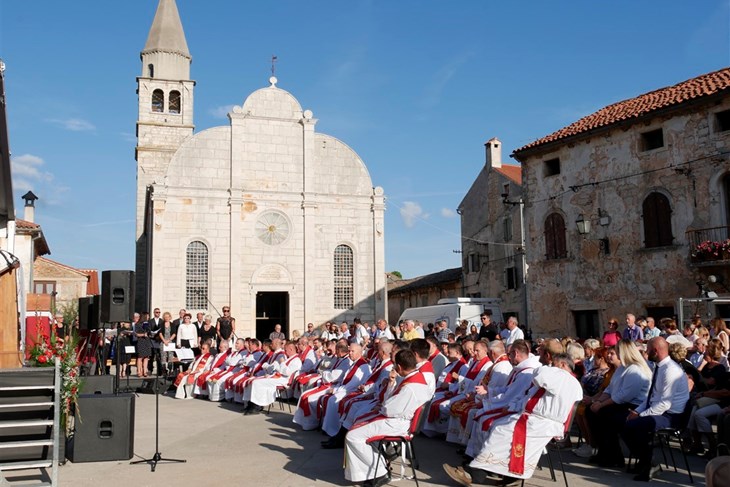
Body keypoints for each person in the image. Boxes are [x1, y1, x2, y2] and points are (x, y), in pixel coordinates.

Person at [444, 353, 583, 486]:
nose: (551, 365)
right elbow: (534, 394)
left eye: (555, 363)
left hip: (539, 423)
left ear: (564, 364)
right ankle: (510, 476)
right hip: (539, 420)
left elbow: (539, 375)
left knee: (500, 431)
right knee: (499, 426)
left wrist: (543, 364)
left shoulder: (561, 376)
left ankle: (474, 473)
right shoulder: (573, 382)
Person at [343, 349, 432, 487]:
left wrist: (383, 407)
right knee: (358, 423)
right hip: (396, 419)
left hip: (396, 423)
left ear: (400, 367)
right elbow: (392, 402)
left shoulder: (411, 387)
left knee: (353, 436)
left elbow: (389, 409)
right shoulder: (414, 379)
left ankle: (380, 472)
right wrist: (391, 383)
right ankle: (373, 469)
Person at [621, 336, 690, 481]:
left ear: (656, 351)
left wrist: (641, 416)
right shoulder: (660, 367)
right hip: (661, 412)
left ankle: (649, 464)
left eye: (648, 350)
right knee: (625, 423)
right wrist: (637, 411)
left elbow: (664, 404)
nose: (646, 352)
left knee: (633, 426)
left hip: (671, 417)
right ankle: (646, 461)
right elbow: (651, 397)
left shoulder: (670, 370)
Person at [586, 339, 651, 468]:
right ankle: (604, 451)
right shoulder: (622, 368)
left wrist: (601, 405)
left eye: (617, 352)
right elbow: (610, 389)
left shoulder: (635, 370)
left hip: (634, 406)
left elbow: (624, 395)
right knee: (591, 411)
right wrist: (598, 401)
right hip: (620, 402)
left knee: (607, 415)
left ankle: (614, 456)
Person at [155, 312, 177, 376]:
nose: (167, 318)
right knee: (163, 356)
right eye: (165, 317)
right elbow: (160, 333)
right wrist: (164, 341)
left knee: (170, 356)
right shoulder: (161, 324)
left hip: (170, 341)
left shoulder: (172, 324)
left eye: (168, 317)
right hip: (163, 341)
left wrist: (169, 340)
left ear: (170, 317)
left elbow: (174, 334)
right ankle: (164, 370)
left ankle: (170, 370)